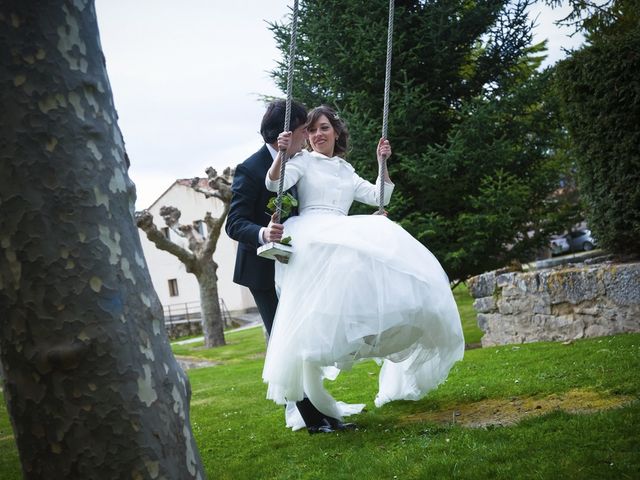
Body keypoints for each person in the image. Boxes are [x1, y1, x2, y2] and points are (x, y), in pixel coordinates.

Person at [262, 105, 465, 430]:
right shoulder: (302, 162)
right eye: (312, 130)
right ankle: (313, 384)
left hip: (339, 227)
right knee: (345, 257)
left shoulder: (345, 169)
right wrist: (282, 155)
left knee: (383, 232)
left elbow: (379, 195)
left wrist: (382, 163)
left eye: (324, 128)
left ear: (336, 133)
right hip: (314, 229)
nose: (317, 135)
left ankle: (370, 326)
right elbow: (275, 185)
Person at [225, 100, 354, 434]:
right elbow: (234, 223)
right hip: (263, 273)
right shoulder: (251, 168)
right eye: (303, 130)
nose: (308, 136)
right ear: (286, 133)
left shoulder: (297, 164)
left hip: (297, 267)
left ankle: (323, 411)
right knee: (288, 342)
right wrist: (263, 232)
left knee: (307, 341)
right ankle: (313, 420)